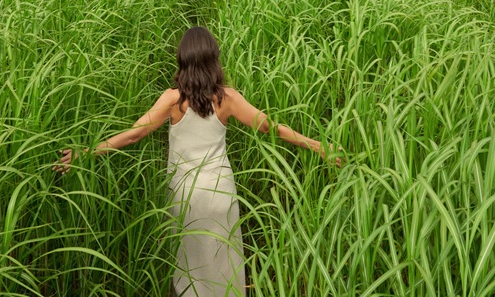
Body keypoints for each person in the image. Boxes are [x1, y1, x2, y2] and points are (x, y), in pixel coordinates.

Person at [54, 26, 339, 297]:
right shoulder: (227, 99)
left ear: (183, 59)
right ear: (214, 59)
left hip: (184, 193)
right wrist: (317, 146)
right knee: (225, 260)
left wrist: (86, 152)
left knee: (189, 265)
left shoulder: (171, 99)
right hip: (220, 192)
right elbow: (270, 127)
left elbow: (133, 135)